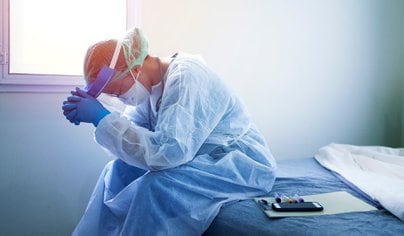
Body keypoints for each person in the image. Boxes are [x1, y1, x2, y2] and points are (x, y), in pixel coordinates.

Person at [62, 28, 277, 236]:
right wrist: (99, 120)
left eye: (117, 91)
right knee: (119, 169)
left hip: (237, 161)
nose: (120, 98)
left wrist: (102, 118)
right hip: (198, 157)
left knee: (154, 187)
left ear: (133, 69)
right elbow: (137, 145)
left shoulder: (186, 76)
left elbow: (167, 152)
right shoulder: (148, 91)